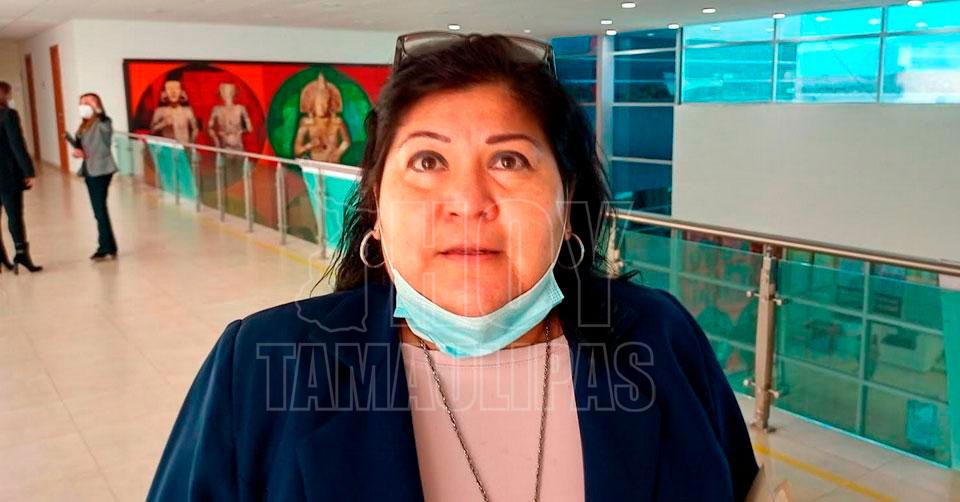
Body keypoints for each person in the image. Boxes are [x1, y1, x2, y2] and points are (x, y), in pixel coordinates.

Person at [149, 34, 759, 501]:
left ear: (567, 204)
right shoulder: (261, 363)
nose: (468, 201)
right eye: (427, 161)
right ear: (376, 207)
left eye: (510, 160)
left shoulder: (660, 337)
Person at [65, 93, 118, 260]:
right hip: (89, 169)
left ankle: (105, 247)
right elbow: (83, 146)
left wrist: (97, 108)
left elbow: (106, 127)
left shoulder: (102, 122)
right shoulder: (84, 124)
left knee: (99, 210)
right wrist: (77, 151)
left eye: (87, 103)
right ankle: (109, 246)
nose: (83, 106)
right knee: (98, 210)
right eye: (81, 103)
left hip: (101, 170)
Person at [0, 80, 42, 274]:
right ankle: (21, 254)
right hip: (7, 174)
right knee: (14, 215)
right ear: (6, 95)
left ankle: (2, 258)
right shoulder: (8, 115)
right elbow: (17, 144)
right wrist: (28, 171)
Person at [294, 73, 351, 163]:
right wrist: (310, 145)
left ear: (330, 104)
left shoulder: (337, 122)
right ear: (313, 104)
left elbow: (346, 142)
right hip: (314, 165)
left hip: (333, 164)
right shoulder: (306, 122)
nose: (322, 107)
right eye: (319, 104)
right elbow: (297, 150)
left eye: (325, 103)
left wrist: (338, 153)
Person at [150, 80, 198, 144]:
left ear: (182, 92)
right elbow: (152, 130)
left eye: (176, 88)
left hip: (184, 146)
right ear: (164, 93)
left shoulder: (187, 111)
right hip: (168, 147)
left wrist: (191, 144)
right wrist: (163, 123)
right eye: (169, 89)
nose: (173, 92)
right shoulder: (160, 111)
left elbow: (195, 129)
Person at [207, 82, 252, 151]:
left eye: (228, 91)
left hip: (238, 145)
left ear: (233, 92)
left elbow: (250, 128)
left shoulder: (241, 108)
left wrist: (239, 133)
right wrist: (216, 140)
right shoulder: (216, 109)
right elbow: (209, 128)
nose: (226, 94)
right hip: (224, 146)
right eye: (223, 91)